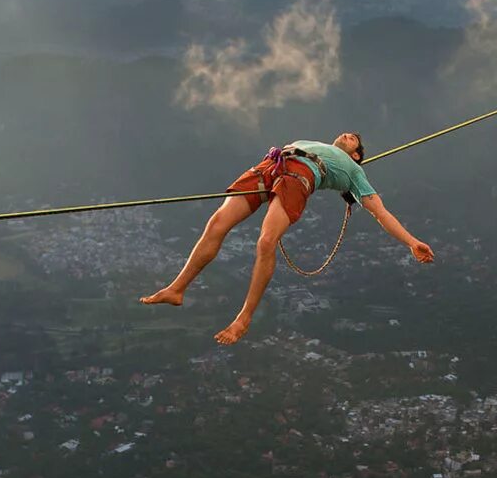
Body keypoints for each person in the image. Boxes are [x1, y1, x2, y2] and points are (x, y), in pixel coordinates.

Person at [140, 133, 434, 344]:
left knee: (266, 242)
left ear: (356, 155)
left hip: (300, 176)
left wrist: (411, 242)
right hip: (272, 164)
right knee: (217, 223)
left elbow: (381, 212)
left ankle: (243, 318)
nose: (350, 135)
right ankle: (176, 289)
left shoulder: (355, 173)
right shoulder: (313, 141)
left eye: (355, 140)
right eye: (348, 135)